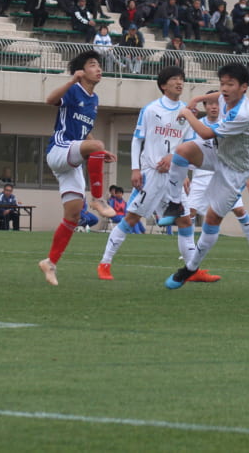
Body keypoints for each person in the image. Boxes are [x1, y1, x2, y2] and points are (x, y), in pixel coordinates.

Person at [98, 67, 207, 281]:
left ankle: (191, 270)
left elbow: (187, 144)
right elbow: (137, 139)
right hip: (152, 174)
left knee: (185, 221)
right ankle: (104, 263)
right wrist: (135, 169)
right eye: (175, 79)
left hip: (174, 175)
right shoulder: (151, 109)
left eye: (182, 79)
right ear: (163, 85)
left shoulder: (186, 112)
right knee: (131, 218)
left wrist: (181, 167)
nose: (179, 83)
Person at [161, 63, 249, 290]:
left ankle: (190, 268)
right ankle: (175, 203)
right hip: (219, 152)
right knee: (182, 151)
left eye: (230, 84)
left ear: (244, 87)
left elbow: (205, 132)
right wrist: (197, 98)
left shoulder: (243, 113)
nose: (224, 89)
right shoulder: (226, 96)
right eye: (222, 83)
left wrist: (187, 112)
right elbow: (219, 96)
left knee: (212, 219)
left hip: (236, 168)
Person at [38, 51, 117, 286]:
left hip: (71, 160)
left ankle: (50, 263)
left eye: (99, 65)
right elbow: (49, 100)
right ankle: (98, 199)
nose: (99, 69)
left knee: (72, 216)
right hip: (59, 150)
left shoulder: (94, 99)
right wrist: (71, 80)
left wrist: (98, 151)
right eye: (93, 65)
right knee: (97, 145)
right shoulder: (74, 90)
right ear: (82, 71)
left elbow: (85, 132)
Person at [183, 93, 249, 261]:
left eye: (216, 103)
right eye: (209, 104)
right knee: (190, 212)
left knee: (239, 210)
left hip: (224, 174)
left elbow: (240, 151)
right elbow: (186, 149)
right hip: (201, 176)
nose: (213, 106)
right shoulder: (196, 126)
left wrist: (247, 175)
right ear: (205, 106)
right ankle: (189, 249)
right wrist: (184, 173)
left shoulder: (229, 123)